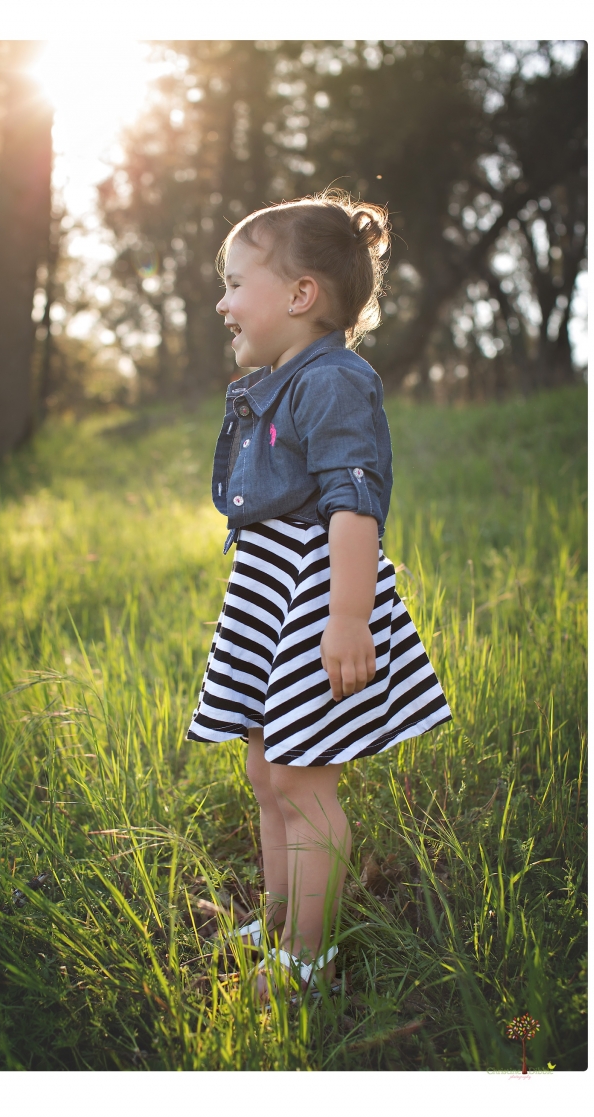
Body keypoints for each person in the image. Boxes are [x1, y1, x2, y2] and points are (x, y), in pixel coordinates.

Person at [186, 190, 451, 1004]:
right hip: (274, 587)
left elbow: (353, 501)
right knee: (269, 770)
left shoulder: (334, 380)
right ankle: (276, 923)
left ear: (300, 296)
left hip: (316, 592)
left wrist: (345, 619)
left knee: (305, 781)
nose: (222, 301)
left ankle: (308, 960)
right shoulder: (281, 377)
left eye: (236, 283)